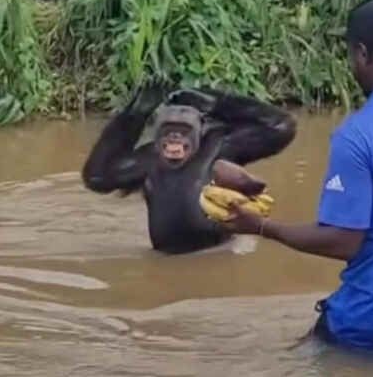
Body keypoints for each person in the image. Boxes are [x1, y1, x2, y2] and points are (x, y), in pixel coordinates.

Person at [223, 0, 373, 362]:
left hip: (372, 321)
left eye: (351, 54)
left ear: (363, 54)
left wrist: (261, 227)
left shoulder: (358, 135)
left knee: (282, 375)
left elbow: (343, 240)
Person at [82, 86, 295, 254]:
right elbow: (97, 177)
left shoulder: (218, 145)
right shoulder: (149, 158)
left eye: (183, 131)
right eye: (169, 131)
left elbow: (282, 126)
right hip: (165, 260)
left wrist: (219, 103)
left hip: (220, 253)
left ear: (199, 131)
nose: (175, 137)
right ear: (157, 134)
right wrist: (133, 116)